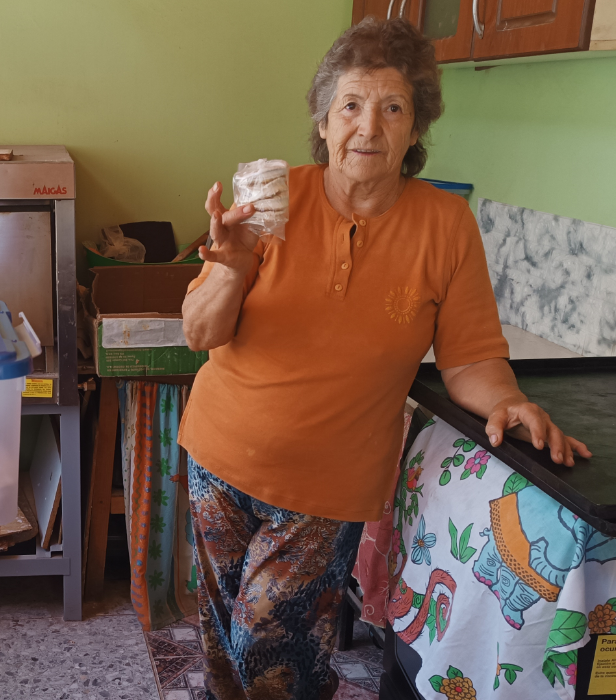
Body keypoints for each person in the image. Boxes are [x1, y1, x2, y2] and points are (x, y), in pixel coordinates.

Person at [178, 18, 590, 700]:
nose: (368, 127)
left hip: (327, 486)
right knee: (222, 640)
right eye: (351, 106)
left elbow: (470, 360)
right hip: (218, 455)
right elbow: (199, 333)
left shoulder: (444, 227)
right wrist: (232, 266)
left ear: (415, 127)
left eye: (392, 107)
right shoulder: (273, 202)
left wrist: (509, 401)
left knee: (274, 654)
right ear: (323, 119)